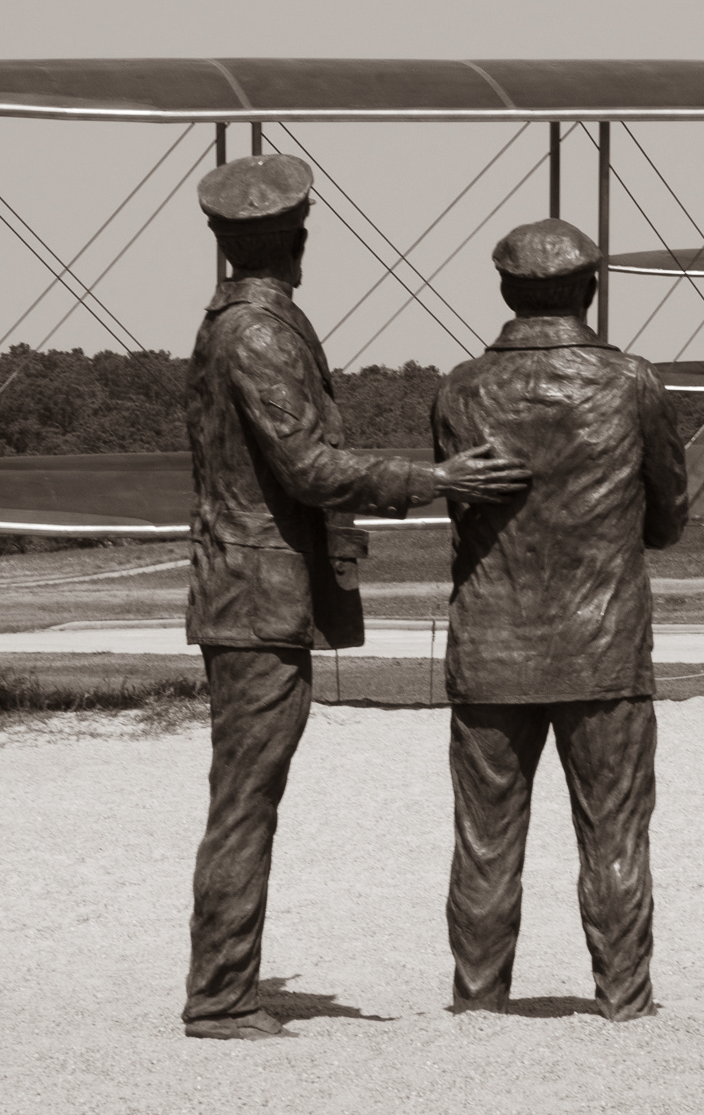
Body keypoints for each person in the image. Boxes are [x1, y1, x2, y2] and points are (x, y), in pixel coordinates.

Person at [181, 154, 531, 1041]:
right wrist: (434, 476)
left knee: (247, 795)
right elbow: (307, 467)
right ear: (292, 237)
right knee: (246, 801)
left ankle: (227, 986)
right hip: (254, 594)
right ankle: (220, 995)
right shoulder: (255, 333)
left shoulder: (249, 322)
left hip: (255, 590)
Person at [431, 218, 688, 1022]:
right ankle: (623, 995)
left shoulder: (458, 387)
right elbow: (669, 514)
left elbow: (457, 500)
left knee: (483, 836)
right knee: (613, 831)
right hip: (601, 641)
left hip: (489, 639)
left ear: (507, 291)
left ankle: (477, 998)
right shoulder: (631, 381)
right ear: (591, 287)